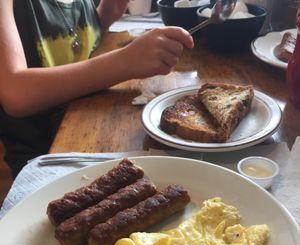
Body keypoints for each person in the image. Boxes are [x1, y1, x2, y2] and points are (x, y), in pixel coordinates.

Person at [0, 0, 194, 176]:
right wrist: (125, 62)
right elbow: (16, 93)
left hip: (91, 124)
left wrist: (107, 13)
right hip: (47, 157)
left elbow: (77, 46)